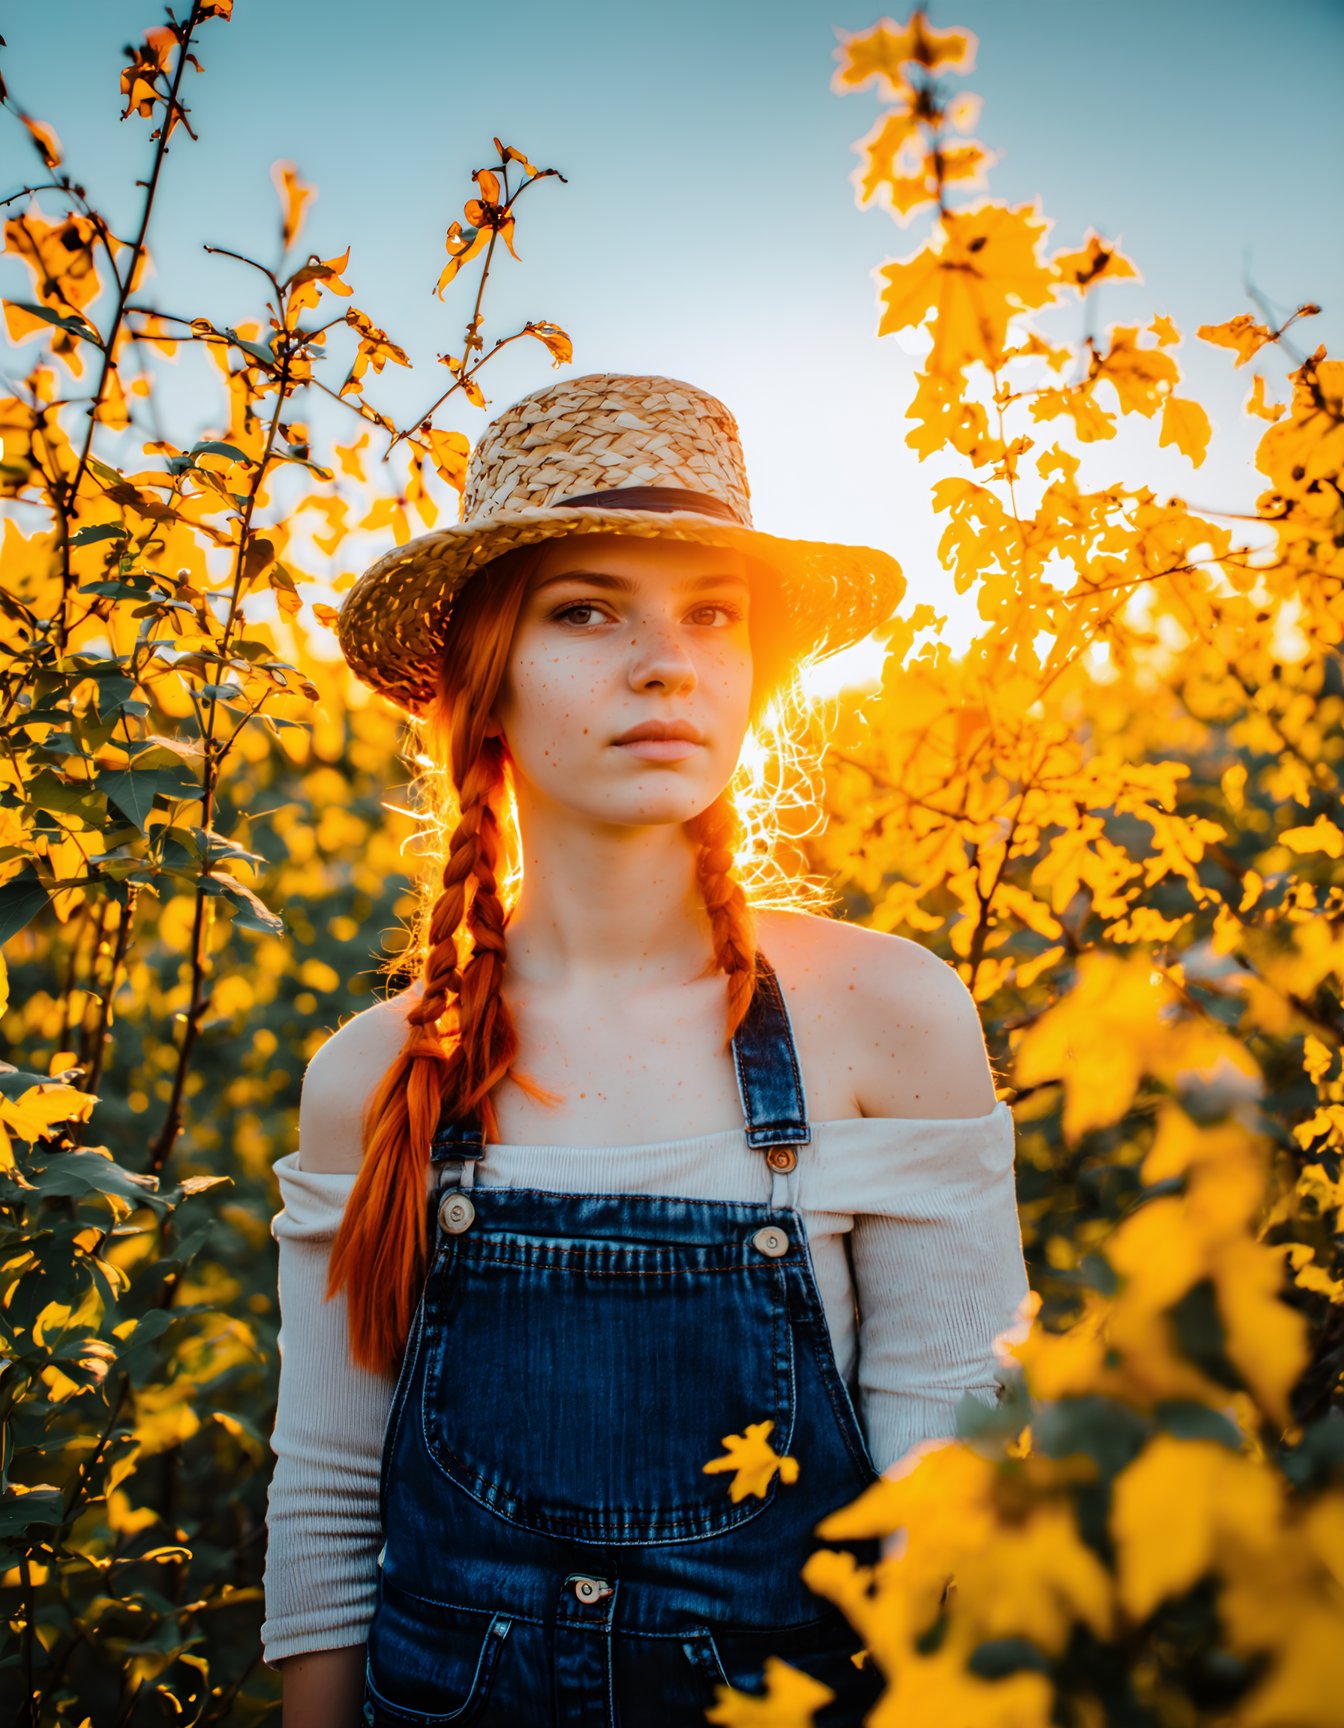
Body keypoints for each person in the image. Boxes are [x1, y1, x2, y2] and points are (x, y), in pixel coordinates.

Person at [260, 373, 1032, 1727]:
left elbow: (951, 1513)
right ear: (482, 678)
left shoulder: (884, 1018)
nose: (667, 660)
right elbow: (327, 1525)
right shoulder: (374, 1074)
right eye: (585, 610)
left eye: (712, 615)